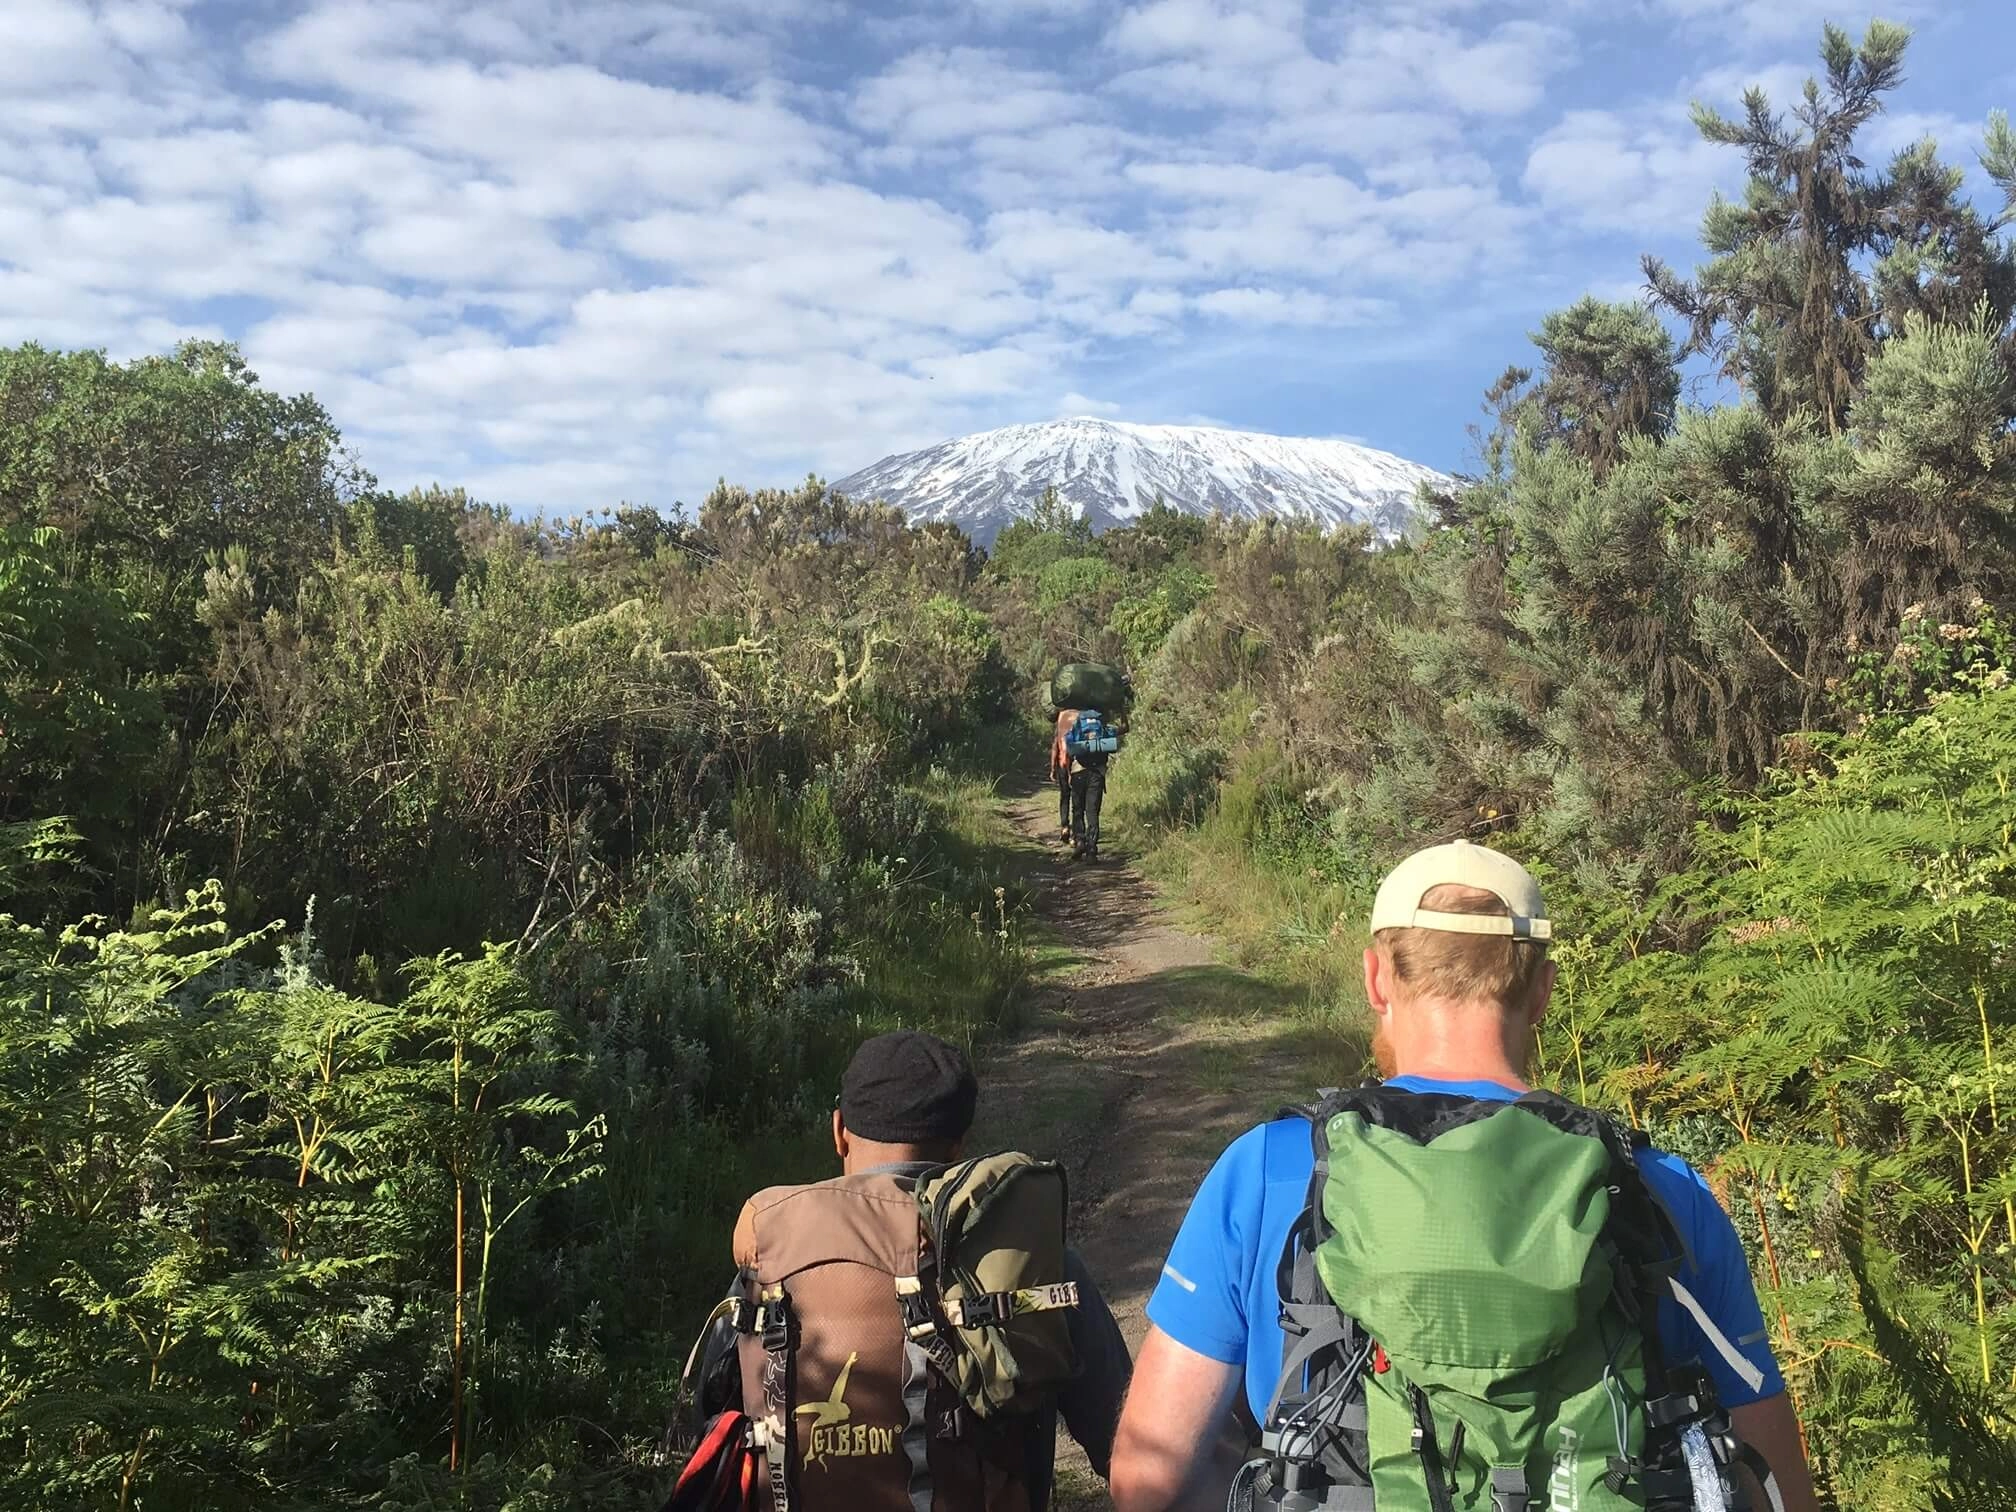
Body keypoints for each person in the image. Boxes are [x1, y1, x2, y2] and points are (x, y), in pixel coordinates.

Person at [1108, 841, 1822, 1512]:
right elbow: (1776, 1487)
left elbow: (1148, 1478)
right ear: (1542, 990)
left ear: (1377, 978)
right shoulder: (1659, 1190)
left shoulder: (1268, 1170)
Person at [691, 1031, 1131, 1511]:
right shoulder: (1030, 1260)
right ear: (958, 1150)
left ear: (838, 1131)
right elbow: (1129, 1450)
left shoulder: (769, 1257)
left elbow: (709, 1431)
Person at [1050, 707, 1078, 844]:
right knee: (1077, 798)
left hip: (1063, 763)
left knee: (1065, 795)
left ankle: (1065, 827)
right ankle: (1078, 833)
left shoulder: (1061, 716)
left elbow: (1056, 744)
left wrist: (1052, 767)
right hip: (1080, 764)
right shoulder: (1082, 715)